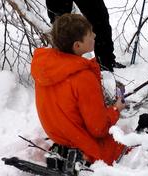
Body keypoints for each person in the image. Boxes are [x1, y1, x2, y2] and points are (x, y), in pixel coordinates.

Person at [30, 13, 126, 165]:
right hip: (84, 145)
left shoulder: (47, 68)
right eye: (89, 34)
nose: (94, 35)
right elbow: (98, 129)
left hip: (61, 137)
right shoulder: (82, 77)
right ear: (77, 45)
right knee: (128, 146)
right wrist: (115, 109)